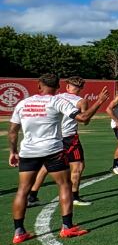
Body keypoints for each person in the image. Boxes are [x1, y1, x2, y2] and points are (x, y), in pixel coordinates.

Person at [9, 74, 109, 244]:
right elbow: (83, 118)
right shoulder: (56, 101)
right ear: (58, 87)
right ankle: (67, 227)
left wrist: (12, 152)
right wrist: (99, 101)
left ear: (38, 86)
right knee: (64, 185)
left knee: (22, 190)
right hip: (52, 150)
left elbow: (13, 130)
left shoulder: (23, 103)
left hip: (28, 151)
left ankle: (19, 232)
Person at [25, 77, 96, 207]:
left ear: (67, 86)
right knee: (78, 166)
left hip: (53, 136)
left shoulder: (56, 97)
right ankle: (74, 196)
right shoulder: (81, 101)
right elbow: (85, 121)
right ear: (81, 88)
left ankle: (32, 196)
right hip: (69, 137)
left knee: (46, 167)